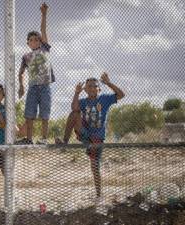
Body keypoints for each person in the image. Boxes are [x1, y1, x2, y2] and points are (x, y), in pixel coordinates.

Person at [55, 72, 125, 201]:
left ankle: (99, 195)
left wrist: (108, 83)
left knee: (94, 166)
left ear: (99, 88)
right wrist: (76, 92)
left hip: (97, 138)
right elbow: (74, 108)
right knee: (74, 114)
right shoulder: (83, 101)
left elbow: (121, 95)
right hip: (85, 134)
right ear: (85, 89)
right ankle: (64, 143)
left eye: (95, 86)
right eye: (89, 86)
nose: (92, 88)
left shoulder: (104, 99)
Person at [18, 2, 55, 145]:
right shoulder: (26, 56)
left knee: (45, 113)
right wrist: (21, 86)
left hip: (45, 86)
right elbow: (21, 72)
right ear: (28, 43)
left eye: (37, 39)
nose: (34, 41)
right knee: (29, 114)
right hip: (33, 87)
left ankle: (44, 138)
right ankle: (29, 138)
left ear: (40, 41)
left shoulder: (44, 49)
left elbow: (43, 29)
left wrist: (44, 14)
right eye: (31, 40)